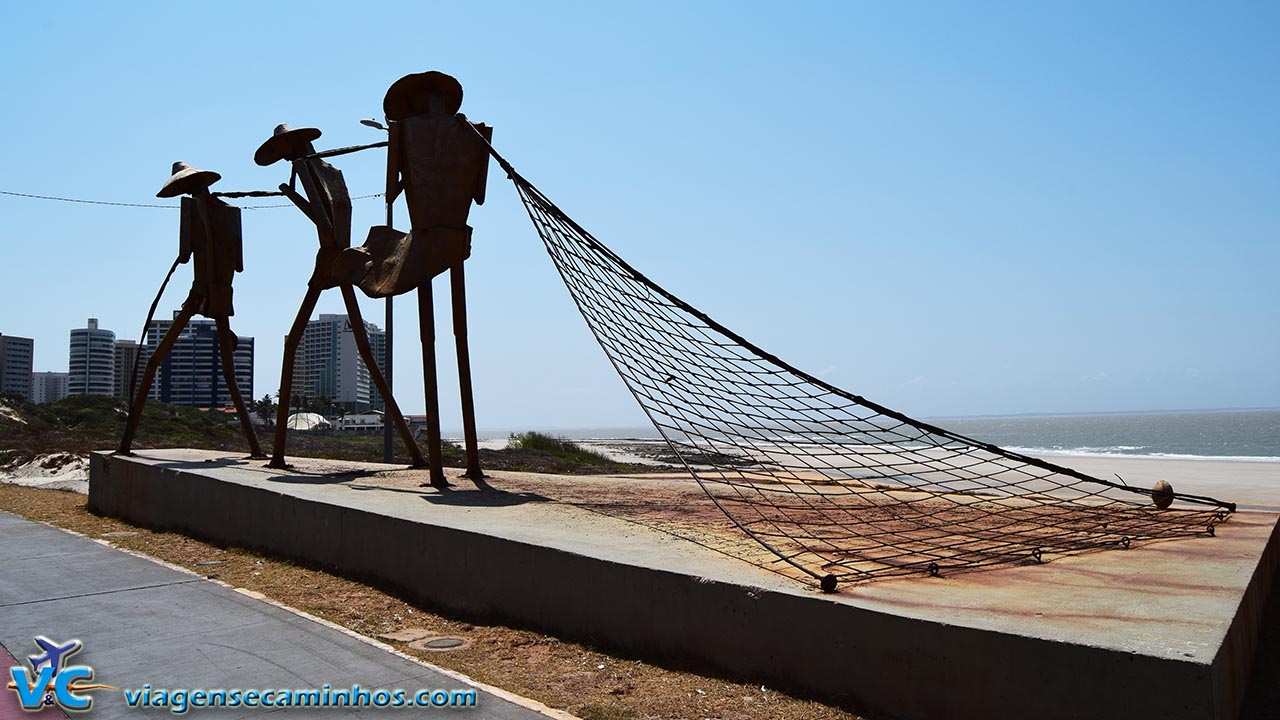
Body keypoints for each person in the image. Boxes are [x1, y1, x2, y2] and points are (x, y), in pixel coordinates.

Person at [341, 71, 492, 487]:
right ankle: (472, 461)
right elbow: (479, 193)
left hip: (424, 239)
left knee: (430, 339)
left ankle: (439, 470)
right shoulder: (478, 134)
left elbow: (391, 191)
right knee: (460, 337)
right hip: (458, 236)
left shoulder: (403, 131)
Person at [254, 124, 428, 470]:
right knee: (362, 345)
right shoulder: (330, 171)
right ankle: (414, 452)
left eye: (286, 149)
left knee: (294, 345)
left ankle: (277, 454)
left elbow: (324, 219)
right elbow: (333, 212)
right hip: (342, 254)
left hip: (332, 259)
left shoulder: (308, 169)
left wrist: (297, 195)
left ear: (292, 146)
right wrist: (294, 196)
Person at [117, 162, 264, 457]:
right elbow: (239, 263)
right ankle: (255, 448)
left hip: (201, 292)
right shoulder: (231, 213)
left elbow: (184, 255)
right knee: (229, 373)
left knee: (155, 361)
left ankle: (125, 443)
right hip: (223, 291)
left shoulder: (191, 210)